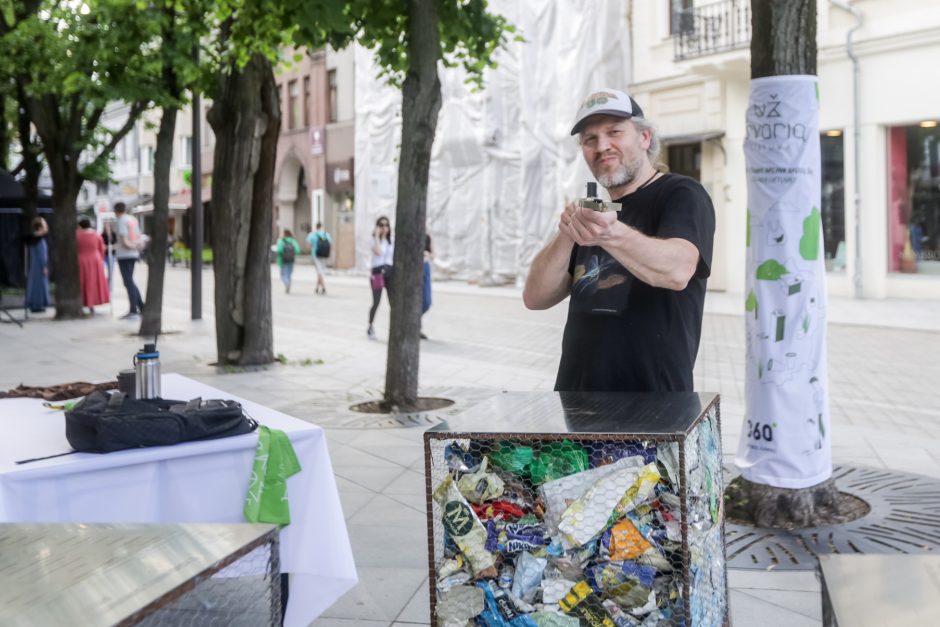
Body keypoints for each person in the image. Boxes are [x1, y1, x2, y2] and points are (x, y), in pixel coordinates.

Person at [523, 88, 716, 392]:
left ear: (644, 137)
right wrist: (566, 232)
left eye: (614, 132)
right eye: (590, 139)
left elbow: (678, 271)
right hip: (576, 404)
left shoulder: (681, 193)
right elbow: (535, 298)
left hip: (652, 411)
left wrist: (610, 233)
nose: (602, 146)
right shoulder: (596, 211)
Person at [114, 202, 145, 319]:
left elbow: (124, 240)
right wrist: (137, 246)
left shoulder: (121, 220)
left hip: (124, 254)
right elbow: (138, 237)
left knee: (128, 282)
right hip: (133, 254)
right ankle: (140, 306)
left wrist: (131, 246)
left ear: (116, 210)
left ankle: (134, 308)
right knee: (130, 281)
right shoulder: (132, 219)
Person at [75, 218, 110, 314]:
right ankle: (92, 304)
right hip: (95, 260)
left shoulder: (77, 235)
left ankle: (82, 303)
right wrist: (101, 260)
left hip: (81, 260)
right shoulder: (96, 235)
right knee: (93, 282)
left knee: (82, 282)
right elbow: (101, 248)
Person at [367, 216, 393, 339]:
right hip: (377, 271)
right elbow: (378, 252)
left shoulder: (391, 241)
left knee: (392, 301)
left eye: (386, 225)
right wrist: (377, 235)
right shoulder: (373, 240)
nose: (384, 228)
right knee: (376, 302)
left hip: (390, 271)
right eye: (381, 225)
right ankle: (370, 325)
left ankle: (393, 328)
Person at [24, 216, 50, 313]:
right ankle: (37, 305)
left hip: (35, 265)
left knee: (35, 283)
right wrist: (44, 266)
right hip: (39, 265)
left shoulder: (34, 239)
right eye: (44, 225)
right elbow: (42, 254)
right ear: (39, 228)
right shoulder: (39, 240)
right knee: (39, 284)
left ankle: (35, 304)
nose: (46, 227)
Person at [306, 222, 332, 295]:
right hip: (325, 255)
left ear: (315, 226)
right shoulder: (326, 234)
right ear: (321, 226)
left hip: (316, 254)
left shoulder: (312, 234)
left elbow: (308, 244)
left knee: (319, 271)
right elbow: (330, 244)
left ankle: (323, 287)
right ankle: (317, 287)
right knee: (320, 271)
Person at [276, 229, 301, 293]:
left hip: (282, 260)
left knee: (283, 274)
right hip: (291, 259)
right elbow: (297, 250)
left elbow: (279, 250)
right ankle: (288, 284)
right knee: (289, 274)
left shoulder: (281, 241)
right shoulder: (293, 241)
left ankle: (286, 283)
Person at [420, 233, 433, 340]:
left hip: (426, 269)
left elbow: (432, 254)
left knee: (427, 302)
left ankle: (416, 326)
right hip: (420, 269)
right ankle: (417, 328)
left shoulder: (427, 237)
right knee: (421, 302)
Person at [101, 220, 117, 287]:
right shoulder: (102, 235)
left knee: (110, 273)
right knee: (102, 271)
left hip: (112, 256)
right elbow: (102, 246)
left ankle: (109, 286)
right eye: (105, 225)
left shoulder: (113, 235)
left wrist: (110, 247)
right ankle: (104, 285)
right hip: (104, 256)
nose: (106, 226)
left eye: (108, 225)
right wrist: (108, 247)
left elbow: (116, 245)